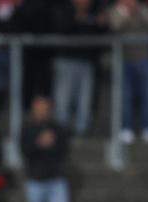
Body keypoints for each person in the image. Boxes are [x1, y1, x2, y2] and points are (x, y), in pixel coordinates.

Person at [20, 96, 70, 202]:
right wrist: (39, 143)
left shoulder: (56, 128)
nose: (42, 111)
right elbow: (25, 150)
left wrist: (51, 143)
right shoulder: (28, 128)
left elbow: (64, 149)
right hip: (35, 181)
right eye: (39, 107)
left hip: (56, 180)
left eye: (45, 107)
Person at [52, 0, 106, 136]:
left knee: (85, 99)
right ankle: (61, 130)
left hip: (87, 60)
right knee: (63, 97)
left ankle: (81, 130)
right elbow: (61, 27)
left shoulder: (95, 9)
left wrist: (95, 22)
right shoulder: (63, 8)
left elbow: (101, 30)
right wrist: (78, 17)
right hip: (66, 59)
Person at [108, 0, 148, 144]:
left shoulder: (144, 9)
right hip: (123, 59)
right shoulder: (116, 10)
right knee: (125, 95)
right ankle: (126, 128)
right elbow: (115, 26)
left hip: (144, 58)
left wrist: (137, 12)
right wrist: (128, 15)